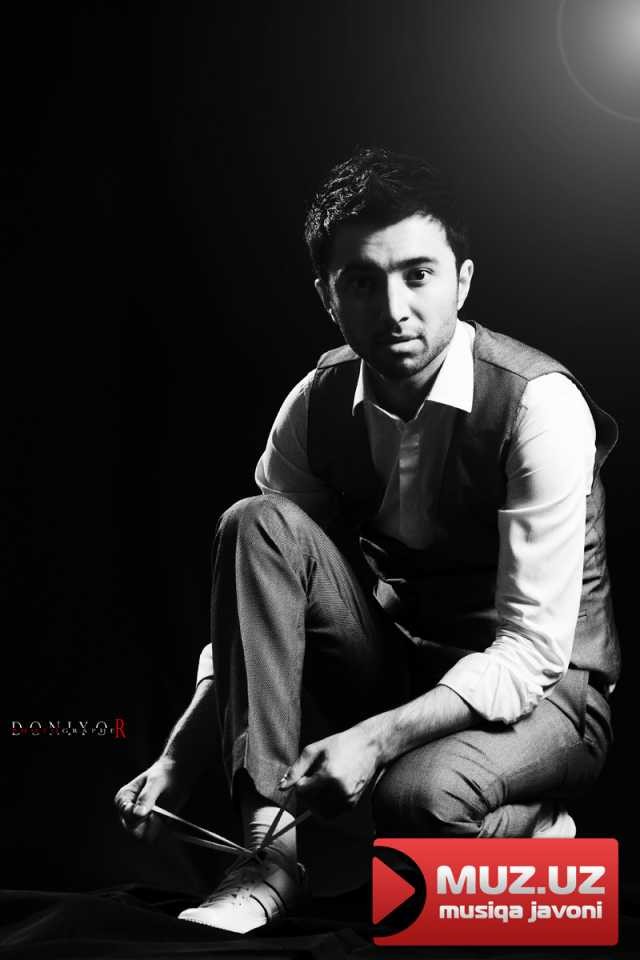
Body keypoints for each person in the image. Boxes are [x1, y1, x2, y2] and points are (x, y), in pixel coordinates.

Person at [115, 147, 620, 934]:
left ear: (463, 280)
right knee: (255, 523)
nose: (393, 310)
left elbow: (530, 654)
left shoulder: (539, 405)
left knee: (416, 803)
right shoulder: (314, 404)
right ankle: (268, 862)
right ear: (327, 296)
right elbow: (258, 593)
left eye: (419, 275)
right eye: (361, 282)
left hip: (550, 691)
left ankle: (535, 834)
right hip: (402, 661)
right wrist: (180, 754)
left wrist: (373, 742)